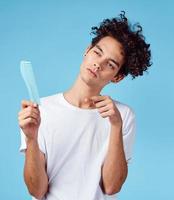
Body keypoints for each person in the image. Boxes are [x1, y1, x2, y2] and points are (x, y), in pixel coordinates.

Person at [18, 11, 152, 200]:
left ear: (118, 77)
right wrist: (31, 138)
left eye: (110, 64)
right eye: (97, 52)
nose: (98, 64)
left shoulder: (123, 116)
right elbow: (37, 191)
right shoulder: (41, 111)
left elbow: (112, 186)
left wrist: (115, 126)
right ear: (87, 50)